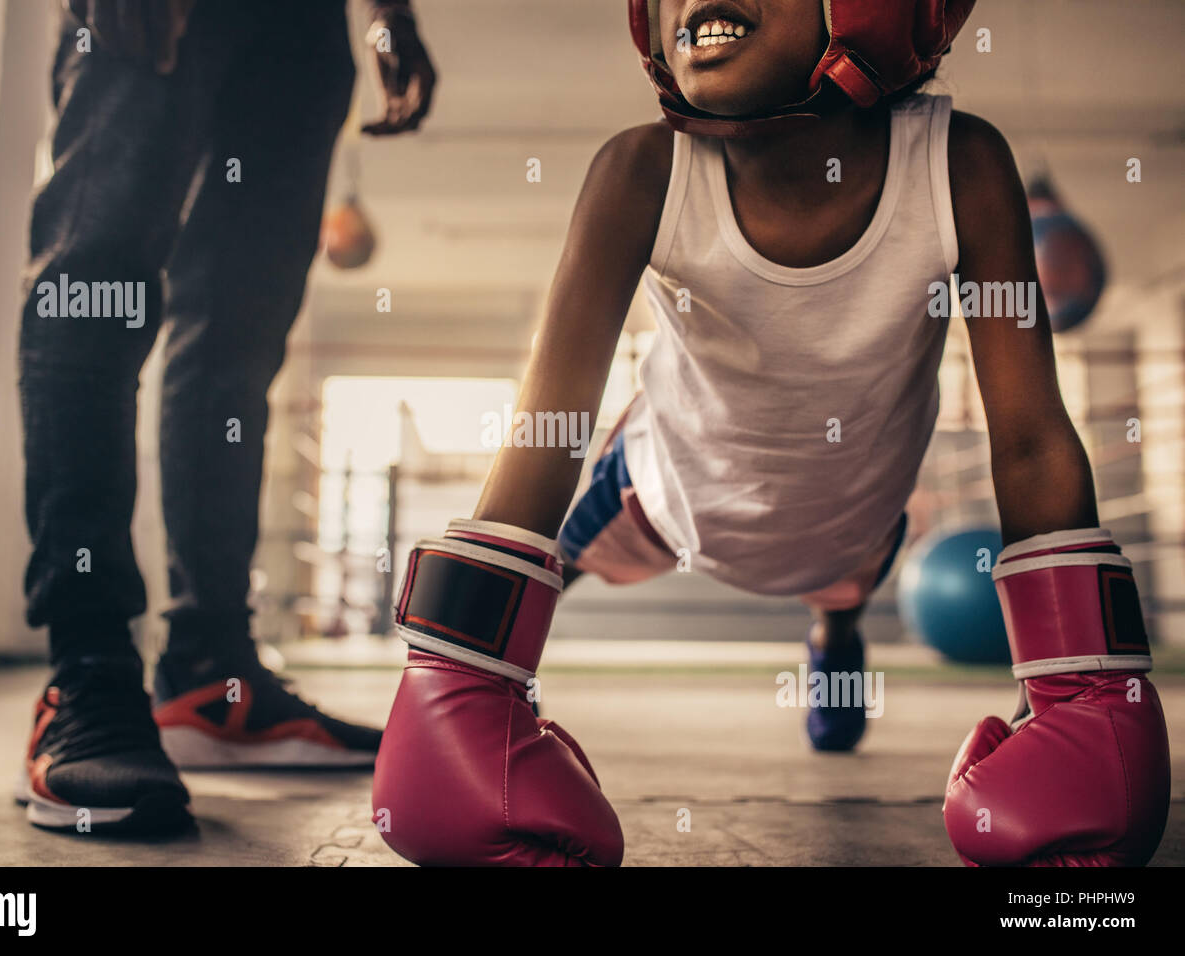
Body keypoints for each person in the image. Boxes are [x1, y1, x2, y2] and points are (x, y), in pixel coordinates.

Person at [370, 0, 1170, 866]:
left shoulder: (959, 165)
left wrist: (1082, 693)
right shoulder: (643, 170)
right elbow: (550, 427)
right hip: (658, 501)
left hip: (855, 519)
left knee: (843, 589)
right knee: (554, 560)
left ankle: (833, 636)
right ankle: (532, 665)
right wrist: (463, 680)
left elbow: (1029, 436)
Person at [15, 0, 436, 832]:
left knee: (237, 341)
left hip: (305, 27)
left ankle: (213, 673)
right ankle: (88, 667)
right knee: (96, 286)